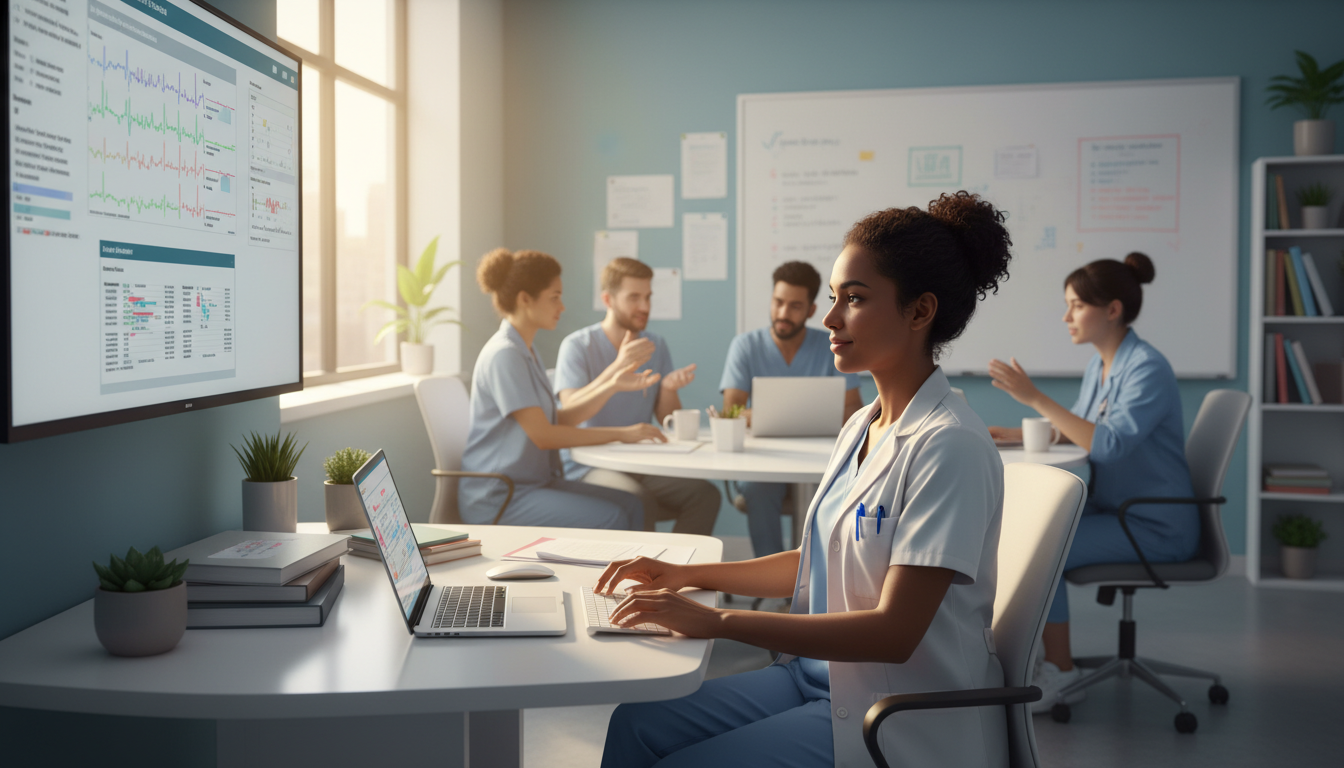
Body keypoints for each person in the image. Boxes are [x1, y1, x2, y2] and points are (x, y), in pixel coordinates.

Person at [597, 192, 1014, 768]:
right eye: (836, 298)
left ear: (920, 312)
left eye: (856, 299)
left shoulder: (950, 446)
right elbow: (819, 557)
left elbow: (895, 632)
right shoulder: (862, 426)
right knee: (636, 724)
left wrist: (719, 620)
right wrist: (686, 574)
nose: (830, 319)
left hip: (893, 708)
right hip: (819, 678)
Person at [987, 252, 1196, 713]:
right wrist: (1021, 432)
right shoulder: (1100, 366)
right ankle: (1042, 659)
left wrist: (1034, 397)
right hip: (1119, 510)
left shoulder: (1146, 368)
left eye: (1076, 305)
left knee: (1044, 549)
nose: (1066, 316)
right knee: (1032, 536)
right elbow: (1082, 433)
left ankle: (1061, 671)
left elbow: (1109, 445)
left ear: (1112, 310)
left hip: (1154, 526)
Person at [459, 248, 665, 529]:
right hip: (501, 496)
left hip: (534, 484)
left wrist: (612, 386)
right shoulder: (504, 355)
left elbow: (558, 418)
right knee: (613, 516)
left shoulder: (525, 351)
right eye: (555, 297)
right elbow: (544, 436)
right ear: (524, 299)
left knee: (633, 504)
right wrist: (623, 434)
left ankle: (644, 574)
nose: (562, 306)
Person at [554, 258, 721, 534]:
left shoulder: (655, 345)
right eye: (634, 297)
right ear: (607, 299)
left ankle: (675, 571)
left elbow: (665, 417)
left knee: (705, 496)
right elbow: (570, 410)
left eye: (648, 297)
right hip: (587, 464)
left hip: (639, 459)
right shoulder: (577, 346)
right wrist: (617, 367)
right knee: (638, 501)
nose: (644, 307)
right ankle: (644, 575)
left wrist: (668, 388)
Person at [720, 261, 864, 557]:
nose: (783, 313)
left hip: (820, 461)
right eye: (778, 302)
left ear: (811, 311)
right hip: (764, 461)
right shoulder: (745, 346)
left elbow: (853, 411)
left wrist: (758, 414)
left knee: (827, 487)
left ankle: (813, 579)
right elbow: (731, 413)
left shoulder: (833, 345)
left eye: (795, 306)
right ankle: (771, 582)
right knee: (757, 488)